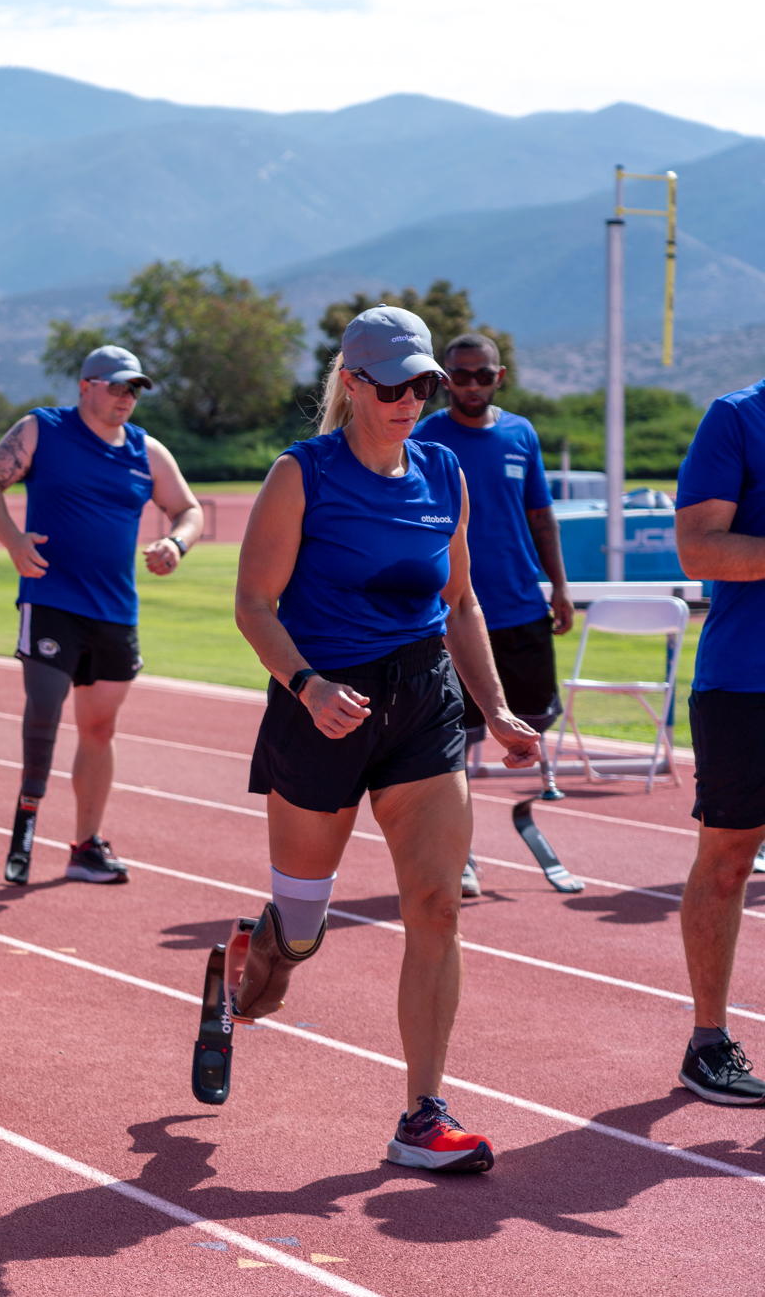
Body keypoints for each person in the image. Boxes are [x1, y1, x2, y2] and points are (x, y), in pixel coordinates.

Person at [218, 305, 540, 1170]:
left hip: (422, 704)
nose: (410, 400)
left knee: (436, 906)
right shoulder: (303, 475)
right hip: (319, 706)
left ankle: (422, 1115)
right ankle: (261, 963)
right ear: (352, 383)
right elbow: (253, 604)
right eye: (392, 385)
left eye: (422, 384)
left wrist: (498, 709)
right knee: (301, 928)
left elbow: (462, 603)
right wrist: (309, 686)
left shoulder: (445, 473)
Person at [0, 344, 202, 887]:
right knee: (44, 716)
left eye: (133, 389)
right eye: (117, 386)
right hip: (50, 600)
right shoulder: (42, 430)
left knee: (99, 728)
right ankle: (24, 830)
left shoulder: (147, 451)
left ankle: (84, 846)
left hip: (116, 611)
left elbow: (187, 510)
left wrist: (175, 543)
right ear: (86, 385)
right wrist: (12, 541)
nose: (126, 398)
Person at [411, 334, 574, 894]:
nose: (472, 385)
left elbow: (542, 517)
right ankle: (461, 854)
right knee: (450, 738)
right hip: (450, 613)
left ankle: (512, 809)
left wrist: (560, 585)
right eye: (461, 375)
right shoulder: (426, 435)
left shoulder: (521, 433)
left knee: (535, 718)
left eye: (483, 375)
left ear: (499, 376)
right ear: (444, 377)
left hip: (520, 605)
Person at [672, 377, 765, 1106]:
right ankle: (708, 1042)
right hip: (747, 680)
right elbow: (698, 549)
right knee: (729, 859)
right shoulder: (737, 418)